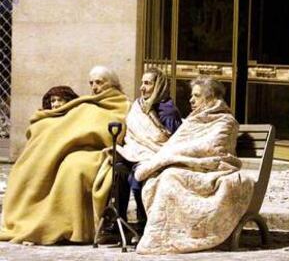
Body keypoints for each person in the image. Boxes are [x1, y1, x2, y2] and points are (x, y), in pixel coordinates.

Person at [0, 66, 130, 245]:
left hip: (99, 152)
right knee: (47, 161)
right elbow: (68, 122)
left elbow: (108, 130)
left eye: (99, 82)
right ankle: (40, 218)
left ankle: (75, 230)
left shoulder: (122, 104)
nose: (94, 87)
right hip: (75, 148)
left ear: (113, 84)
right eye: (91, 83)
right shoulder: (88, 102)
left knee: (74, 168)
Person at [132, 75, 255, 254]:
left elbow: (212, 147)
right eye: (192, 95)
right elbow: (175, 144)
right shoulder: (192, 120)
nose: (191, 100)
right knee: (158, 177)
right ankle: (168, 234)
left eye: (197, 96)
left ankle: (169, 238)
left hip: (211, 171)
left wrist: (175, 156)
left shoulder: (226, 122)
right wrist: (167, 157)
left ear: (211, 97)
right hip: (192, 168)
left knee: (170, 176)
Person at [108, 67, 181, 236]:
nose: (142, 88)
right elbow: (133, 135)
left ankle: (144, 225)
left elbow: (171, 142)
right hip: (135, 154)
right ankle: (118, 223)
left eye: (147, 83)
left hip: (157, 157)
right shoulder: (138, 106)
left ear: (159, 86)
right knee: (118, 170)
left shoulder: (168, 110)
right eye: (142, 83)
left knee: (139, 175)